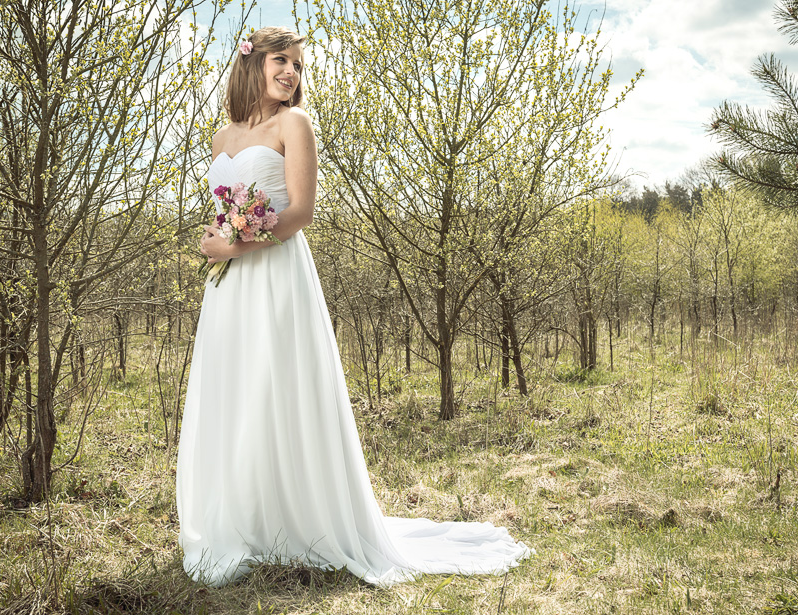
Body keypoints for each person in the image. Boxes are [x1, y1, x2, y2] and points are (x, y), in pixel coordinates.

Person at [176, 26, 532, 588]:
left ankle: (303, 521)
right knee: (237, 390)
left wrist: (241, 240)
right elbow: (219, 215)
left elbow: (298, 214)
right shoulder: (222, 138)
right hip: (230, 287)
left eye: (296, 64)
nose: (290, 73)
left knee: (278, 385)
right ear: (253, 65)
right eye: (280, 61)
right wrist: (213, 240)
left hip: (276, 271)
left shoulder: (296, 124)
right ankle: (244, 520)